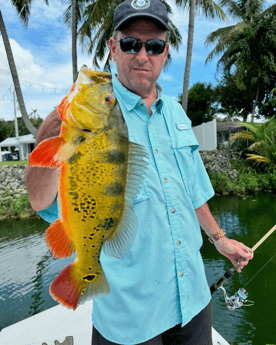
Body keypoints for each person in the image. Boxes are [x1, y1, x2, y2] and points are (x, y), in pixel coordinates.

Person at [25, 0, 253, 344]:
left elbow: (191, 189)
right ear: (114, 49)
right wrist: (56, 125)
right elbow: (41, 201)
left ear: (164, 54)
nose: (142, 55)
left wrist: (220, 238)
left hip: (193, 298)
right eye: (130, 43)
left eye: (154, 45)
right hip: (130, 316)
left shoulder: (176, 111)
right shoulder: (89, 111)